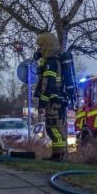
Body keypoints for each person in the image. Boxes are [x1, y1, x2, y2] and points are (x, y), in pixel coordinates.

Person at [34, 32, 67, 161]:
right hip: (53, 101)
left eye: (41, 46)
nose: (39, 49)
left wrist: (42, 102)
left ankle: (59, 155)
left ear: (47, 46)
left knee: (55, 128)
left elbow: (47, 83)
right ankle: (56, 154)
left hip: (53, 102)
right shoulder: (49, 61)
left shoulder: (51, 62)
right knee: (51, 128)